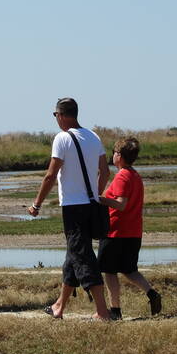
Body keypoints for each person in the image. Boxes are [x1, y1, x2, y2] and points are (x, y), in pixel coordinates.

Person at [27, 98, 111, 320]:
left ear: (62, 115)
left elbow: (50, 175)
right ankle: (59, 306)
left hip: (73, 207)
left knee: (82, 256)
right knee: (73, 255)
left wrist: (37, 204)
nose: (56, 120)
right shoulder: (93, 136)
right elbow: (105, 171)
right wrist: (95, 193)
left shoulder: (62, 138)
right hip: (92, 205)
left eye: (55, 116)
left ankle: (102, 311)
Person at [98, 137, 161, 319]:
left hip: (116, 231)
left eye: (115, 153)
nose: (113, 156)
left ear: (120, 155)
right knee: (129, 270)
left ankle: (115, 310)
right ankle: (151, 294)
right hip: (133, 231)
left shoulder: (122, 175)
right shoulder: (135, 175)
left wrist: (99, 199)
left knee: (109, 272)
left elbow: (121, 204)